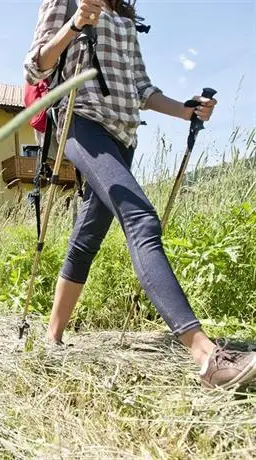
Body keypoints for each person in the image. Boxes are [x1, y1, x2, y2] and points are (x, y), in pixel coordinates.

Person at [24, 0, 256, 389]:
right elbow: (35, 66)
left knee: (88, 236)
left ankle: (52, 338)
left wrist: (186, 111)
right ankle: (204, 356)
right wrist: (76, 24)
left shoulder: (126, 19)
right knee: (141, 218)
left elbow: (141, 88)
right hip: (80, 122)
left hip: (122, 137)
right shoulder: (66, 2)